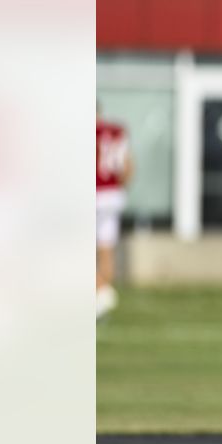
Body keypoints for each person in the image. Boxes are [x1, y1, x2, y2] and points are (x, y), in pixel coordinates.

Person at [96, 106, 132, 318]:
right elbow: (127, 167)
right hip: (113, 194)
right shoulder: (117, 131)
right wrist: (119, 189)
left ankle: (102, 290)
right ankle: (102, 301)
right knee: (106, 247)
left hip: (95, 192)